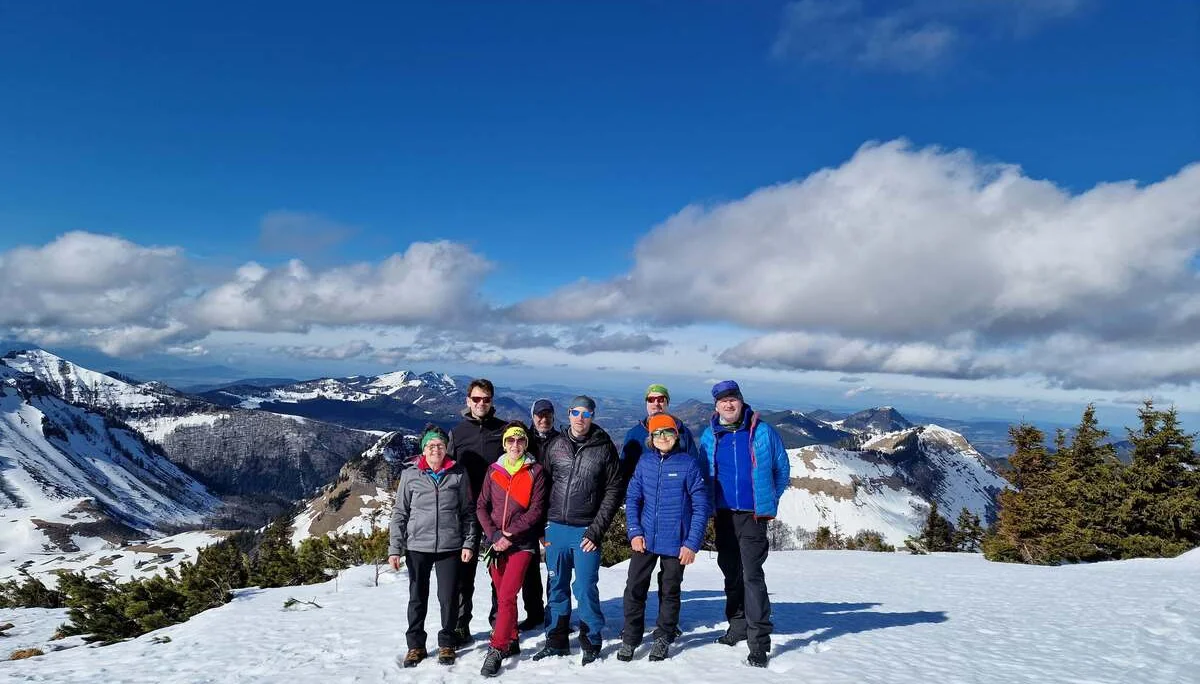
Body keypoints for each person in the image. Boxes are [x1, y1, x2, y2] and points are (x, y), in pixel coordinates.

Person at [699, 380, 791, 668]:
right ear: (716, 406)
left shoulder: (763, 432)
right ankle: (737, 626)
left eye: (733, 399)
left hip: (753, 516)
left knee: (752, 575)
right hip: (724, 514)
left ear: (741, 401)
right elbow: (702, 472)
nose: (728, 405)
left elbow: (781, 469)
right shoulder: (710, 435)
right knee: (730, 572)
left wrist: (768, 499)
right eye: (723, 401)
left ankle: (759, 642)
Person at [532, 395, 622, 666]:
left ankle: (591, 639)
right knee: (556, 586)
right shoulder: (556, 445)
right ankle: (556, 640)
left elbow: (614, 490)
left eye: (586, 413)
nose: (580, 418)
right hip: (555, 528)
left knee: (584, 587)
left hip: (585, 530)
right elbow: (542, 485)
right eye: (575, 412)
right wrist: (542, 526)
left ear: (592, 415)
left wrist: (596, 530)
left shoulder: (604, 448)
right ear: (568, 414)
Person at [617, 413, 710, 663]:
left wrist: (691, 544)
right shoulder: (645, 463)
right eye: (657, 433)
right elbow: (633, 499)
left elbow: (701, 507)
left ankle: (663, 635)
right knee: (634, 587)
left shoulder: (687, 464)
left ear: (676, 436)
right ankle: (631, 637)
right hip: (645, 538)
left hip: (676, 542)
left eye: (667, 432)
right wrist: (634, 532)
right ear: (651, 438)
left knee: (670, 590)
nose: (663, 437)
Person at [388, 425, 478, 668]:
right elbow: (400, 513)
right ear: (423, 450)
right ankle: (415, 646)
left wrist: (469, 542)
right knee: (417, 597)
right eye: (431, 445)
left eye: (440, 445)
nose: (436, 449)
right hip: (417, 546)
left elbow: (468, 512)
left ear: (445, 448)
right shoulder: (410, 475)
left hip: (450, 546)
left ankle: (447, 642)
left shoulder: (458, 474)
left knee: (448, 597)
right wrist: (395, 548)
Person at [477, 422, 548, 677]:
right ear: (505, 443)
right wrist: (495, 535)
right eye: (510, 441)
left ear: (525, 444)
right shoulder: (493, 470)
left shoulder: (535, 472)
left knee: (506, 595)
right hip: (495, 545)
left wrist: (508, 533)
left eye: (520, 441)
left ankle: (496, 648)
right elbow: (481, 506)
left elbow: (536, 511)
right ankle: (512, 638)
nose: (515, 445)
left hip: (522, 544)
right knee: (502, 593)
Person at [447, 378, 507, 646]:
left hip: (497, 511)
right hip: (467, 512)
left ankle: (499, 622)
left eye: (486, 399)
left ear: (492, 401)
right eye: (476, 399)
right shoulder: (457, 433)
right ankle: (462, 624)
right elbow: (447, 470)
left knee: (499, 571)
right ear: (467, 401)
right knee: (464, 572)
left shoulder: (503, 430)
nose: (481, 403)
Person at [517, 398, 558, 630]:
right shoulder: (525, 441)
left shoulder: (561, 441)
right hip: (528, 511)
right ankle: (534, 613)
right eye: (539, 415)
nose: (543, 419)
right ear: (532, 417)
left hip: (554, 511)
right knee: (529, 566)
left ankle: (554, 612)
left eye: (547, 415)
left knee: (555, 567)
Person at [620, 383, 698, 484]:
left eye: (661, 399)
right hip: (643, 495)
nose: (656, 403)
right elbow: (625, 471)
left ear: (667, 403)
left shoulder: (683, 432)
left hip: (676, 494)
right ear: (646, 404)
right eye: (651, 400)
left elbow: (694, 467)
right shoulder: (634, 434)